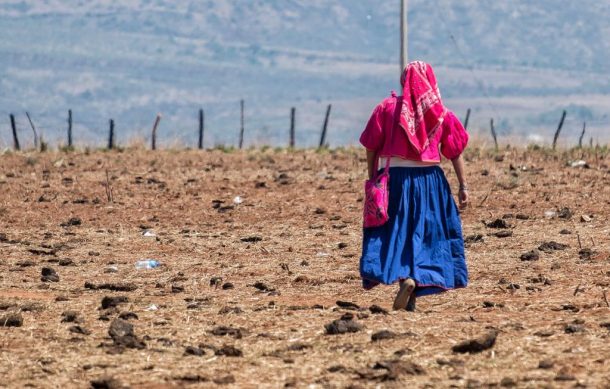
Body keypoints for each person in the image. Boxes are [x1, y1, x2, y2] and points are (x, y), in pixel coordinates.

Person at [359, 61, 469, 311]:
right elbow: (455, 152)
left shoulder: (385, 109)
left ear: (403, 81)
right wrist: (464, 186)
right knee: (427, 234)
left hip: (394, 180)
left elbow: (370, 146)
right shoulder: (441, 113)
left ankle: (404, 282)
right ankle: (415, 285)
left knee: (396, 232)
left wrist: (373, 178)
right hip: (430, 182)